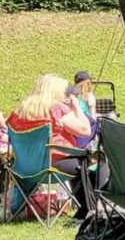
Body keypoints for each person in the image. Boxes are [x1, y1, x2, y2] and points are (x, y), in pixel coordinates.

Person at [8, 74, 101, 222]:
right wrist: (77, 108)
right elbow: (86, 130)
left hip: (22, 169)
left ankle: (87, 210)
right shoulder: (55, 109)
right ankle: (89, 209)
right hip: (50, 166)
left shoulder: (19, 111)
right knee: (88, 161)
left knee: (79, 160)